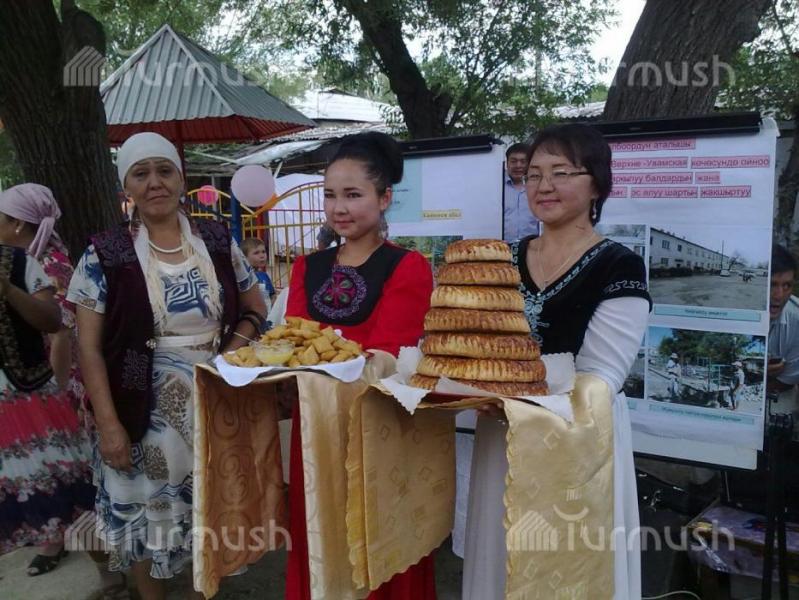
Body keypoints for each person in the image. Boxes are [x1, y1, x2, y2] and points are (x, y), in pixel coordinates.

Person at [68, 132, 265, 600]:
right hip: (139, 410)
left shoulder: (215, 240)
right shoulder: (105, 254)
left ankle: (202, 592)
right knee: (146, 519)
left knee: (208, 510)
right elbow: (88, 348)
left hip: (213, 399)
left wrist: (229, 352)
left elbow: (255, 306)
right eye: (141, 174)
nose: (154, 182)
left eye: (164, 170)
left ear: (181, 178)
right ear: (126, 187)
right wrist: (109, 425)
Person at [463, 123, 651, 600]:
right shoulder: (503, 259)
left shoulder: (619, 265)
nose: (544, 186)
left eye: (562, 172)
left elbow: (603, 375)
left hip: (580, 436)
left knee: (569, 566)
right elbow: (478, 346)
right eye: (533, 174)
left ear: (597, 184)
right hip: (503, 435)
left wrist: (514, 398)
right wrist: (469, 388)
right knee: (502, 557)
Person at [284, 131, 435, 599]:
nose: (339, 208)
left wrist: (322, 355)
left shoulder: (408, 266)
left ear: (384, 197)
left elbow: (390, 353)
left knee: (376, 534)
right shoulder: (306, 267)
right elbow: (293, 342)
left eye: (353, 195)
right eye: (330, 195)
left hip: (376, 424)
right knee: (319, 529)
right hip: (314, 424)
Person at [0, 234, 95, 571]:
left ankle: (107, 570)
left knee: (72, 486)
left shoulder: (17, 262)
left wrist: (9, 290)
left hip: (30, 398)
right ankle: (47, 543)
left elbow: (53, 321)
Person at [767, 245, 799, 409]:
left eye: (787, 285)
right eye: (772, 284)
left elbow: (787, 380)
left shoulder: (797, 319)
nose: (779, 295)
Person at [502, 142, 538, 241]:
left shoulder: (538, 187)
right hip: (503, 245)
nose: (518, 165)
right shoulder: (497, 187)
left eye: (523, 161)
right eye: (513, 161)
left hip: (531, 245)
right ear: (507, 163)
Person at [240, 237, 275, 313]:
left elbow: (272, 295)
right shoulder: (243, 277)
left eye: (263, 252)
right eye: (256, 253)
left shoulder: (264, 275)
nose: (262, 256)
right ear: (244, 257)